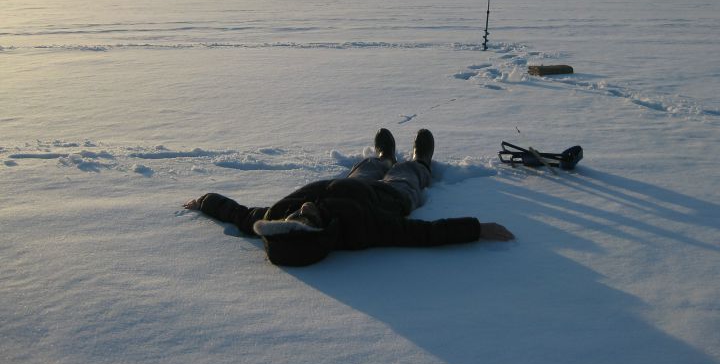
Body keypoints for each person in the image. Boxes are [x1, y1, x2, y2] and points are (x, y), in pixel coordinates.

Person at [184, 128, 515, 266]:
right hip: (392, 197)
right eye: (308, 215)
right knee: (407, 176)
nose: (304, 206)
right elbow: (424, 234)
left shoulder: (274, 220)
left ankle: (383, 157)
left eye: (296, 213)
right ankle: (421, 162)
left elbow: (239, 215)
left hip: (352, 185)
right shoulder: (362, 229)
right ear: (319, 229)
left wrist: (206, 200)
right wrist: (476, 228)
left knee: (367, 167)